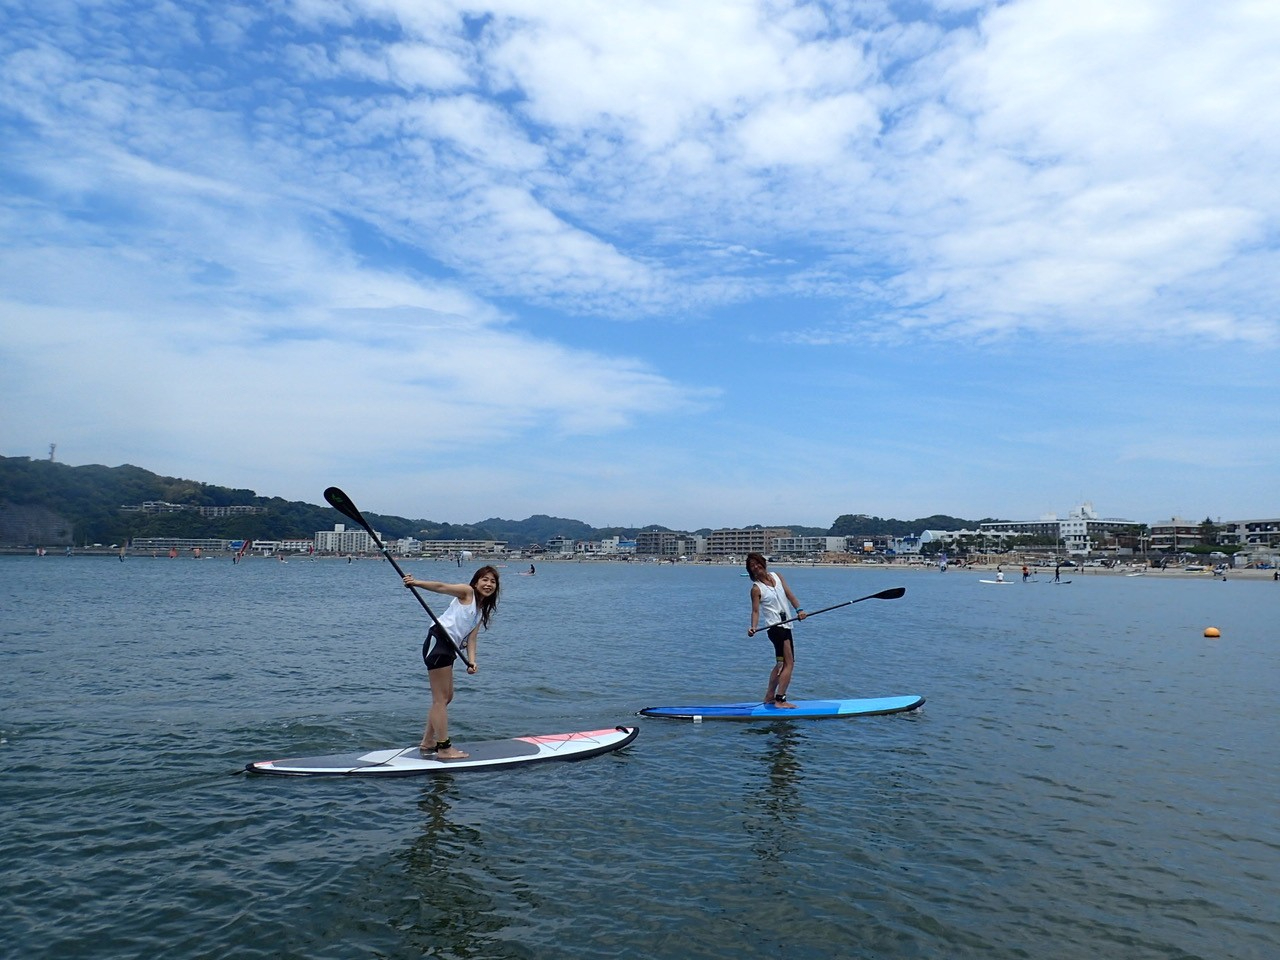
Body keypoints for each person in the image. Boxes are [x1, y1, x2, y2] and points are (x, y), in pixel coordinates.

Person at [401, 566, 501, 759]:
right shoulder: (467, 592)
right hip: (439, 641)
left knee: (447, 697)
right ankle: (444, 748)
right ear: (476, 581)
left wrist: (472, 661)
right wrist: (416, 583)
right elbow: (441, 587)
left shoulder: (480, 611)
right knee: (440, 699)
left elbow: (472, 639)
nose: (488, 584)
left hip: (449, 649)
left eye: (493, 582)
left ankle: (428, 741)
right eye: (485, 580)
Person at [745, 553, 806, 708]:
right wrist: (753, 626)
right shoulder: (756, 589)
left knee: (781, 664)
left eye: (757, 563)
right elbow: (755, 611)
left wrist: (799, 610)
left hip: (787, 625)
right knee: (789, 663)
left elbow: (790, 595)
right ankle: (780, 700)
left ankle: (769, 696)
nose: (756, 567)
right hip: (775, 628)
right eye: (752, 566)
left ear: (763, 563)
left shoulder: (777, 576)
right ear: (750, 571)